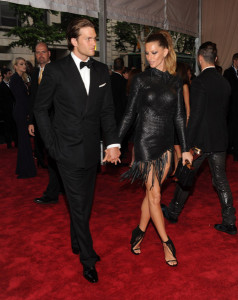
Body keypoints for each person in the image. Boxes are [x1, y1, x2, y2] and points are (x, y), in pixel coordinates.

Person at [34, 18, 120, 283]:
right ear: (74, 41)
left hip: (91, 149)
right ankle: (87, 257)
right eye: (89, 38)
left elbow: (107, 112)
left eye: (95, 38)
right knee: (80, 205)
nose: (94, 42)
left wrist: (113, 144)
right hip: (66, 150)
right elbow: (40, 109)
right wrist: (51, 144)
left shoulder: (102, 71)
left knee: (83, 202)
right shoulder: (55, 71)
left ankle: (76, 239)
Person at [118, 31, 192, 267]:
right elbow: (129, 114)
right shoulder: (140, 80)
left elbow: (180, 117)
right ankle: (166, 242)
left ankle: (139, 231)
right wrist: (115, 143)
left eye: (154, 52)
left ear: (165, 52)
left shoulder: (175, 81)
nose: (149, 57)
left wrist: (186, 149)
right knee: (156, 195)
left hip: (167, 145)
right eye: (147, 53)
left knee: (152, 194)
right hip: (145, 143)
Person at [162, 42, 237, 235]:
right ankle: (229, 222)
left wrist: (186, 145)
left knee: (187, 175)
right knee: (221, 180)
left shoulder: (199, 82)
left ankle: (173, 211)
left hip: (200, 142)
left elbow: (194, 117)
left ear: (199, 58)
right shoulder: (225, 82)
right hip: (220, 140)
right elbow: (224, 113)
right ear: (216, 59)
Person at [28, 42, 63, 205]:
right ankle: (58, 187)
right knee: (50, 157)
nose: (40, 55)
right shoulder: (34, 74)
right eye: (37, 53)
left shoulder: (58, 71)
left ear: (49, 53)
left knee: (54, 157)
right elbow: (34, 101)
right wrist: (31, 122)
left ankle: (53, 192)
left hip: (57, 123)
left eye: (43, 52)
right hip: (41, 123)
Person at [10, 58, 36, 179]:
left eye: (24, 64)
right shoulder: (15, 79)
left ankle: (23, 168)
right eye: (21, 64)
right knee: (24, 141)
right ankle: (26, 170)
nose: (24, 66)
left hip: (21, 111)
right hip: (21, 112)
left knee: (24, 141)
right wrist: (27, 114)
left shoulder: (21, 79)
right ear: (15, 66)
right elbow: (21, 99)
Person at [172, 62, 190, 174]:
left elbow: (188, 107)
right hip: (172, 119)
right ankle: (175, 170)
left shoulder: (184, 86)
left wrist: (187, 122)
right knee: (174, 147)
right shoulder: (172, 84)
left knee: (178, 147)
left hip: (181, 120)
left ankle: (181, 170)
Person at [224, 53, 238, 161]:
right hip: (231, 106)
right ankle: (230, 149)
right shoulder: (227, 73)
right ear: (235, 61)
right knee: (231, 129)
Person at [0, 68, 17, 148]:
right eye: (9, 73)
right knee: (7, 128)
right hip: (6, 111)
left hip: (15, 110)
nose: (11, 74)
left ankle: (17, 142)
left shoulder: (13, 84)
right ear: (5, 75)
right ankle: (9, 144)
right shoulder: (1, 86)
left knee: (15, 127)